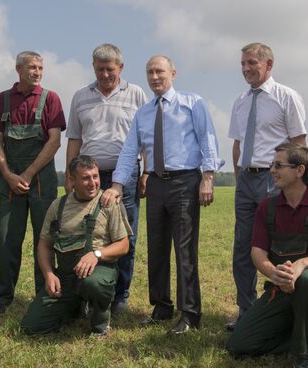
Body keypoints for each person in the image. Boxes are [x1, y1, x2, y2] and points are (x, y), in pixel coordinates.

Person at [101, 55, 223, 335]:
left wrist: (208, 176)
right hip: (155, 183)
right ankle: (161, 307)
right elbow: (131, 150)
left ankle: (190, 313)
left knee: (184, 250)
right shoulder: (143, 112)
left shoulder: (193, 103)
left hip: (185, 182)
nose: (154, 77)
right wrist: (117, 185)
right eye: (149, 72)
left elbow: (208, 138)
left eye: (159, 72)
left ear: (173, 73)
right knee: (156, 248)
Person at [226, 143, 308, 368]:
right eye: (272, 165)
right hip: (280, 289)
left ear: (299, 170)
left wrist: (303, 264)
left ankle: (304, 352)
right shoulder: (267, 207)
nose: (272, 170)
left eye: (278, 165)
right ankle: (297, 336)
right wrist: (273, 273)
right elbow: (257, 252)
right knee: (239, 345)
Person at [226, 42, 307, 331]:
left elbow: (299, 144)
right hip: (246, 181)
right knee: (244, 247)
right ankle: (246, 310)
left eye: (252, 63)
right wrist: (239, 178)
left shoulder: (287, 97)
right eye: (243, 64)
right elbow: (237, 144)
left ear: (268, 65)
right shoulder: (240, 101)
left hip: (276, 179)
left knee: (281, 246)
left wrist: (295, 183)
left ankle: (285, 310)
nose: (246, 69)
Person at [65, 43, 148, 313]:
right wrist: (70, 175)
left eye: (110, 69)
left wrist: (146, 171)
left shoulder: (136, 94)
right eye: (100, 69)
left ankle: (120, 295)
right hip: (90, 174)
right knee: (88, 232)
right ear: (93, 68)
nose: (105, 75)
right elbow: (75, 139)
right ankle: (92, 292)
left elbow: (145, 138)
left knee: (124, 235)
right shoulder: (80, 97)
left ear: (120, 68)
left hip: (125, 175)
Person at [0, 51, 66, 313]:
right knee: (7, 238)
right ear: (18, 69)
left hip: (41, 180)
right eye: (32, 67)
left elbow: (54, 141)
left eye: (40, 68)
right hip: (9, 182)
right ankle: (2, 299)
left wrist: (28, 173)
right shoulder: (1, 100)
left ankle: (45, 295)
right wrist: (7, 173)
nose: (37, 72)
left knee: (45, 238)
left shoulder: (50, 99)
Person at [20, 155, 131, 336]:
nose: (93, 183)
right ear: (71, 180)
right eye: (86, 178)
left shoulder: (108, 203)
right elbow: (44, 245)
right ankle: (75, 306)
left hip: (98, 271)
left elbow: (124, 245)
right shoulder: (58, 206)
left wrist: (96, 255)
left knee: (92, 283)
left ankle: (100, 320)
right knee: (31, 326)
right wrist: (49, 274)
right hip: (66, 276)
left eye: (95, 176)